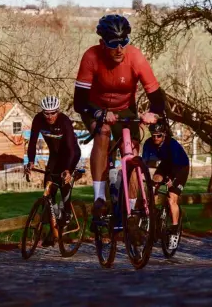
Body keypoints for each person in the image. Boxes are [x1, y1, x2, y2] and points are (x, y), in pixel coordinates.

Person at [73, 14, 165, 219]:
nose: (119, 48)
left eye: (124, 42)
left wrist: (153, 113)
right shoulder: (91, 57)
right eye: (113, 43)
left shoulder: (135, 57)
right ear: (102, 43)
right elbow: (79, 102)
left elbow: (158, 98)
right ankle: (99, 198)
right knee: (103, 132)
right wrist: (99, 113)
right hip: (95, 107)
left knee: (130, 150)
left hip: (124, 108)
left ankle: (132, 210)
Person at [25, 96, 81, 246]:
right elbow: (32, 142)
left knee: (63, 183)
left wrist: (68, 170)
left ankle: (67, 212)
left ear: (58, 111)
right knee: (48, 190)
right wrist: (30, 161)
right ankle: (53, 227)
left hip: (71, 154)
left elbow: (70, 149)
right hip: (55, 155)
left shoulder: (64, 122)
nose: (49, 116)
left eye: (53, 113)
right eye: (46, 113)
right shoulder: (38, 120)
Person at [142, 122, 190, 237]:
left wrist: (169, 181)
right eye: (153, 135)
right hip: (165, 164)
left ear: (164, 135)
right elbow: (145, 162)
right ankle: (153, 214)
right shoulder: (148, 143)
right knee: (153, 184)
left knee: (171, 198)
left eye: (158, 136)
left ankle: (174, 227)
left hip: (180, 167)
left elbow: (175, 165)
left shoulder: (171, 144)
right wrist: (143, 175)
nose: (155, 138)